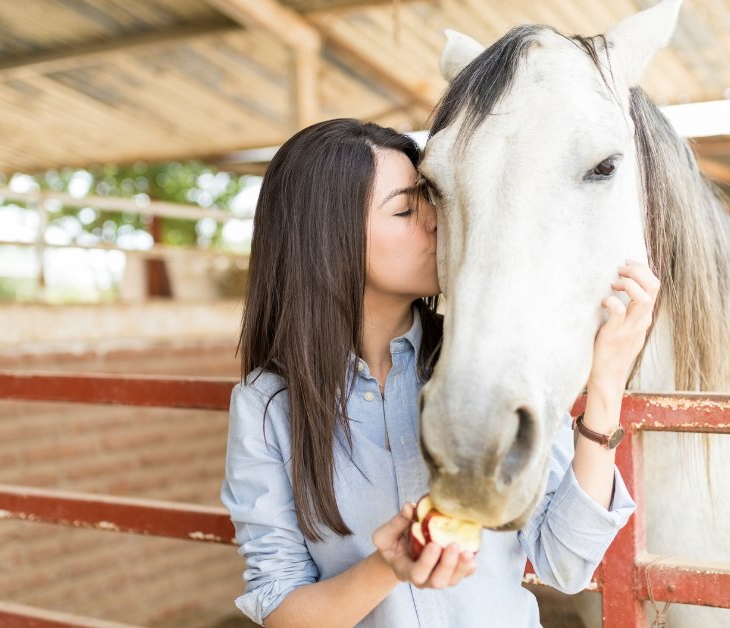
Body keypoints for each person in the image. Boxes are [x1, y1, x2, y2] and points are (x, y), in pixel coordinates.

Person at [221, 118, 658, 627]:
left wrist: (605, 385)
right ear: (328, 238)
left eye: (430, 200)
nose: (436, 221)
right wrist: (392, 564)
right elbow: (283, 614)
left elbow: (566, 563)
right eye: (406, 209)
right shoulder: (267, 405)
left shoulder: (488, 357)